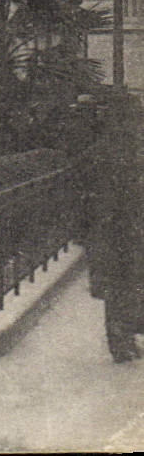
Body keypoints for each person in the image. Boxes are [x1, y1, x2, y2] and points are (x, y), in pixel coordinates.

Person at [78, 93, 144, 362]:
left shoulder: (101, 149)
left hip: (113, 227)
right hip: (123, 226)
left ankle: (122, 338)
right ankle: (122, 339)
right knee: (126, 282)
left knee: (120, 284)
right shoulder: (127, 149)